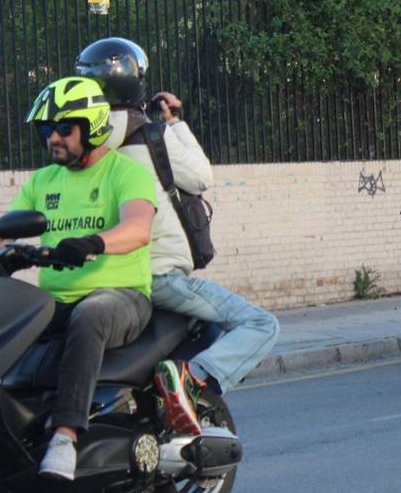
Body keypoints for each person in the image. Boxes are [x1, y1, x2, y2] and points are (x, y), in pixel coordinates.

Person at [76, 37, 280, 431]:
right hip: (160, 273)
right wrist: (174, 121)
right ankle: (194, 377)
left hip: (105, 278)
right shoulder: (150, 134)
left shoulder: (82, 145)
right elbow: (202, 176)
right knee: (261, 324)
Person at [9, 77, 158, 480]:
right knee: (2, 315)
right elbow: (1, 232)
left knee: (90, 314)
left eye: (63, 129)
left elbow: (138, 229)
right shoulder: (42, 182)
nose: (52, 138)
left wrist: (92, 242)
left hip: (121, 297)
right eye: (45, 129)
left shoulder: (126, 174)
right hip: (55, 301)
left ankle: (64, 436)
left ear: (91, 128)